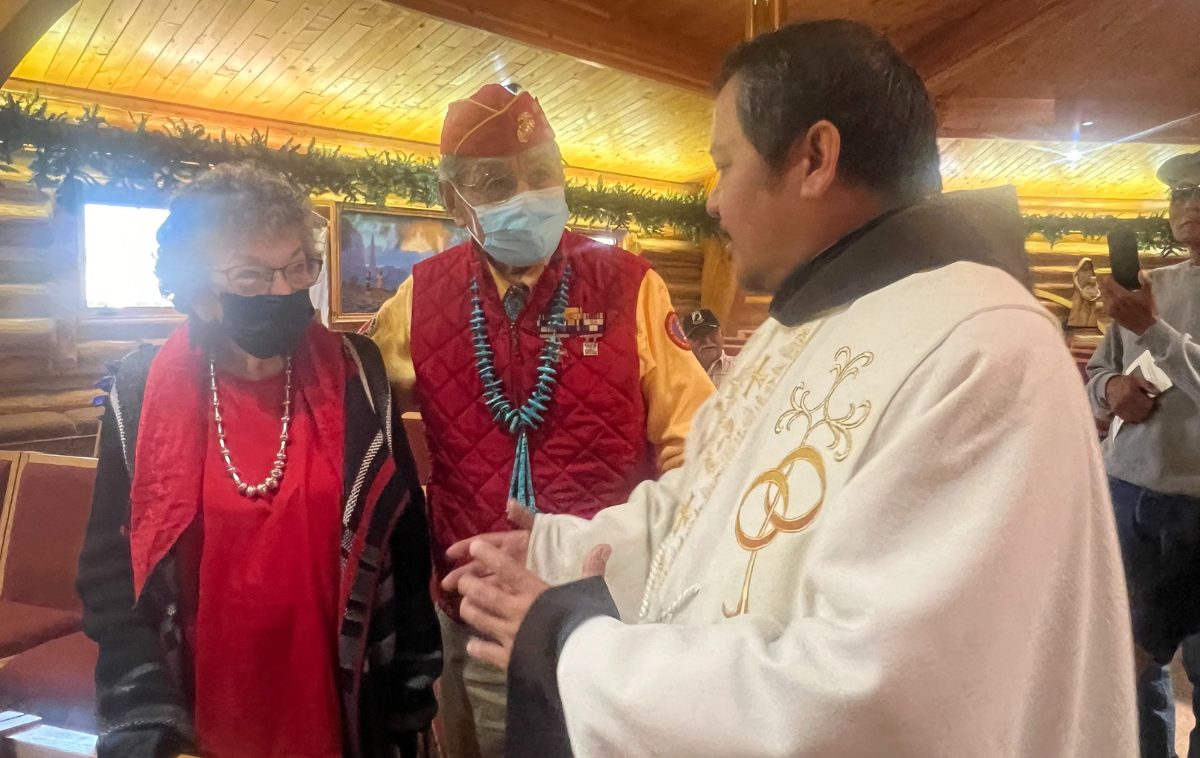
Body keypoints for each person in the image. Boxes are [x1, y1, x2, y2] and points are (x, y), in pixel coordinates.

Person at [442, 20, 1137, 758]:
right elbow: (706, 506)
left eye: (723, 162)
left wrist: (572, 647)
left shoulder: (983, 348)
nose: (712, 201)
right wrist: (554, 548)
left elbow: (872, 701)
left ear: (814, 158)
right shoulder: (798, 328)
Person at [369, 84, 713, 758]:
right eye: (496, 182)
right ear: (452, 201)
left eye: (542, 173)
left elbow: (698, 447)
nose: (527, 193)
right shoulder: (422, 294)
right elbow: (353, 397)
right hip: (465, 598)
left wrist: (664, 574)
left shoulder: (632, 284)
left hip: (600, 601)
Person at [76, 163, 441, 758]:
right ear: (195, 286)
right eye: (252, 273)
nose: (282, 290)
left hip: (342, 697)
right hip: (203, 709)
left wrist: (411, 691)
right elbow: (109, 568)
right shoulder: (143, 393)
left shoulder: (359, 374)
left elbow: (404, 536)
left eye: (298, 267)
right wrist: (143, 713)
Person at [1089, 151, 1200, 758]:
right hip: (1129, 490)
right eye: (1181, 190)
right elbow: (1100, 368)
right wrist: (1111, 389)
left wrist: (1153, 331)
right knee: (1127, 669)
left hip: (1198, 506)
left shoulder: (1145, 305)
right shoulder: (1148, 287)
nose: (1189, 201)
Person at [684, 309, 735, 386]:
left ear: (721, 333)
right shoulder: (680, 374)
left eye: (711, 333)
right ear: (686, 342)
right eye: (698, 335)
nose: (707, 340)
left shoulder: (740, 368)